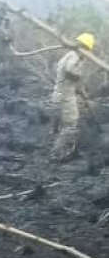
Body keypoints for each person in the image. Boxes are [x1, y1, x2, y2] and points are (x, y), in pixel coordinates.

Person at [52, 33, 95, 162]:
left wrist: (83, 94)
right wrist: (79, 75)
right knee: (71, 123)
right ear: (85, 48)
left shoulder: (69, 55)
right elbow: (70, 71)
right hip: (65, 95)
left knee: (62, 124)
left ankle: (66, 149)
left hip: (60, 94)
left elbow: (74, 81)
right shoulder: (74, 56)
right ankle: (58, 154)